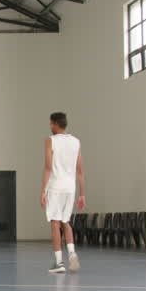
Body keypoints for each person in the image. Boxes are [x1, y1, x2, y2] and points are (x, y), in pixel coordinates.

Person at [42, 112, 86, 274]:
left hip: (55, 186)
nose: (50, 126)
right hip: (70, 187)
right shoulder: (76, 141)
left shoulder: (50, 140)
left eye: (50, 123)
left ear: (55, 124)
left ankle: (59, 262)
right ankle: (72, 252)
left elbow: (48, 167)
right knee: (65, 221)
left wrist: (43, 190)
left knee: (55, 222)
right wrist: (82, 194)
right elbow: (80, 170)